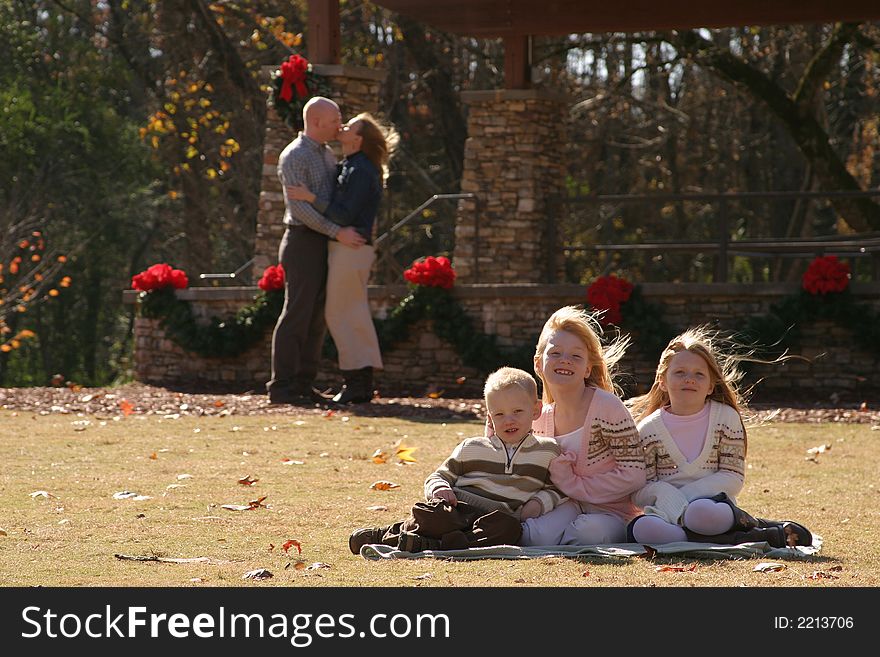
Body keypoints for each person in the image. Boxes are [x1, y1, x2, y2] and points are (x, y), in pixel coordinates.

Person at [626, 327, 813, 548]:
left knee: (699, 514)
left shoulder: (725, 418)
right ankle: (750, 535)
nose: (690, 379)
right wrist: (668, 498)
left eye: (699, 374)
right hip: (667, 512)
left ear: (710, 386)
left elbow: (732, 477)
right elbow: (639, 489)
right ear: (662, 381)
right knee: (642, 529)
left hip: (713, 507)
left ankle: (738, 524)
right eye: (680, 372)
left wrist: (687, 497)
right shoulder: (649, 429)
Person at [348, 367, 565, 554]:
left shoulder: (548, 451)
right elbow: (439, 475)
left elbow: (559, 488)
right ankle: (386, 535)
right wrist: (440, 488)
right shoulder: (472, 447)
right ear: (489, 418)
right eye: (499, 414)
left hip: (497, 517)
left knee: (510, 530)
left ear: (536, 410)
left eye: (517, 411)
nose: (509, 420)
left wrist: (539, 503)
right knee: (434, 516)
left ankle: (430, 544)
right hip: (458, 507)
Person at [285, 113, 398, 404]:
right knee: (348, 312)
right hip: (348, 248)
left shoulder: (359, 169)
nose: (342, 127)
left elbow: (344, 213)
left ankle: (357, 383)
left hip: (352, 247)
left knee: (343, 313)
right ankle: (359, 382)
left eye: (349, 126)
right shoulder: (350, 164)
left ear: (358, 139)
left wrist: (311, 199)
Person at [518, 305, 647, 546]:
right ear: (538, 363)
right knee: (534, 536)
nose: (565, 360)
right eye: (555, 353)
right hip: (565, 506)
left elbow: (634, 475)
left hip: (613, 511)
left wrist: (574, 484)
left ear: (587, 367)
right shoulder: (538, 417)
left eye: (576, 356)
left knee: (588, 533)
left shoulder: (607, 407)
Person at [266, 97, 366, 405]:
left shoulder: (325, 154)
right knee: (297, 313)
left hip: (324, 243)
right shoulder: (293, 156)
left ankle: (303, 383)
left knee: (317, 317)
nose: (340, 124)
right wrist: (339, 232)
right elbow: (301, 211)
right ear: (318, 121)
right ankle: (281, 386)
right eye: (335, 119)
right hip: (302, 242)